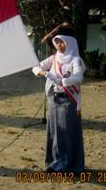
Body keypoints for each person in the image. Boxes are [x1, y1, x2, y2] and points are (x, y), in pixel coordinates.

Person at [32, 26, 86, 174]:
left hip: (69, 101)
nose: (59, 45)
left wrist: (62, 81)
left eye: (62, 42)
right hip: (54, 100)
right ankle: (54, 163)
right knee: (54, 133)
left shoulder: (76, 60)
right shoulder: (54, 58)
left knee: (67, 134)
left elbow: (79, 77)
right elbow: (35, 67)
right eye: (57, 42)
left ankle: (70, 165)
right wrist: (42, 72)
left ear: (70, 42)